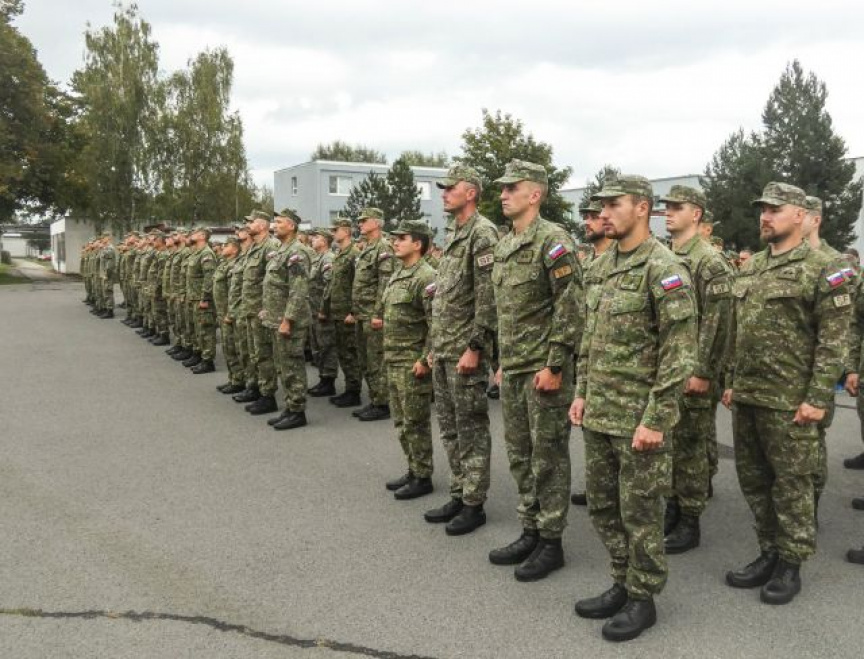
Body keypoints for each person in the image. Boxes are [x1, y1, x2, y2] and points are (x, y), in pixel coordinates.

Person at [570, 175, 696, 642]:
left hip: (638, 420)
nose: (603, 213)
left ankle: (643, 597)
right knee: (604, 506)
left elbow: (679, 353)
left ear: (642, 208)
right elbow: (589, 339)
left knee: (640, 513)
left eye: (613, 204)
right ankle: (622, 580)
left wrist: (656, 419)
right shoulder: (602, 265)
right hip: (600, 412)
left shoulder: (664, 268)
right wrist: (581, 391)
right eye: (600, 206)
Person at [722, 182, 852, 606]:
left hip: (791, 401)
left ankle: (791, 562)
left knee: (792, 485)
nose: (765, 216)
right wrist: (730, 380)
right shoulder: (752, 266)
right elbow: (738, 331)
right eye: (763, 209)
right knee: (755, 481)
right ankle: (768, 551)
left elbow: (833, 342)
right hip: (749, 396)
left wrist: (817, 398)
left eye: (775, 210)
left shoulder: (825, 268)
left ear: (800, 215)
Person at [488, 159, 582, 582]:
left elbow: (570, 305)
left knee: (548, 457)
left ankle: (551, 541)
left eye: (513, 187)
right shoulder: (506, 243)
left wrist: (555, 363)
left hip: (543, 370)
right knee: (520, 454)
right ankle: (530, 528)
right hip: (515, 367)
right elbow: (507, 310)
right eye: (503, 188)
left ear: (535, 194)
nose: (504, 194)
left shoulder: (554, 241)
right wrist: (502, 363)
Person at [422, 165, 498, 535]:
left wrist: (476, 346)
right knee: (450, 427)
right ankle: (458, 490)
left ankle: (473, 503)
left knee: (471, 429)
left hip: (465, 351)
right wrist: (434, 346)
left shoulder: (482, 233)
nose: (444, 193)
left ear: (470, 193)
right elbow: (445, 296)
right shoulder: (454, 231)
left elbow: (487, 297)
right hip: (444, 348)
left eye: (451, 188)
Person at [661, 185, 733, 554]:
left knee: (690, 447)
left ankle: (690, 519)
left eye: (678, 207)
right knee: (670, 444)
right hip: (669, 369)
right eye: (667, 206)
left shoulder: (709, 261)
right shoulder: (667, 255)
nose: (669, 212)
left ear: (697, 214)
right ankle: (673, 506)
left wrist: (703, 371)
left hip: (694, 372)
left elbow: (718, 323)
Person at [382, 220, 438, 499]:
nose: (395, 242)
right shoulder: (399, 273)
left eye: (402, 238)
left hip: (411, 361)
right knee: (402, 422)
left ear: (417, 244)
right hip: (393, 358)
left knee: (415, 422)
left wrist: (425, 359)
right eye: (395, 238)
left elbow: (435, 323)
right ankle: (413, 468)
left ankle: (423, 476)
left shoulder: (426, 277)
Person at [570, 198, 613, 508]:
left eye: (594, 216)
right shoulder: (588, 264)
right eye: (585, 216)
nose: (588, 221)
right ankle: (599, 483)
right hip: (588, 358)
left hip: (617, 364)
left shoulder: (619, 261)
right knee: (592, 429)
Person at [262, 209, 312, 430]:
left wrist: (288, 319)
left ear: (291, 226)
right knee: (283, 365)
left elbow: (298, 290)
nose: (275, 225)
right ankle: (290, 406)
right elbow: (275, 285)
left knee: (292, 365)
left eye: (279, 222)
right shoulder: (281, 250)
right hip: (277, 317)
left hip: (290, 321)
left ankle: (298, 411)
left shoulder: (297, 252)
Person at [350, 207, 395, 421]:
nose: (360, 223)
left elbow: (384, 284)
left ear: (376, 223)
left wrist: (379, 313)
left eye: (364, 220)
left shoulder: (383, 247)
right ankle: (375, 398)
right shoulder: (367, 248)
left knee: (376, 360)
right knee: (365, 360)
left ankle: (383, 403)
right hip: (362, 313)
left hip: (372, 314)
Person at [234, 210, 281, 414]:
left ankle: (268, 396)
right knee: (253, 353)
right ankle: (256, 388)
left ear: (262, 226)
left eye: (251, 222)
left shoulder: (270, 247)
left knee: (264, 354)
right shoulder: (254, 247)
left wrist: (266, 308)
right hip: (250, 309)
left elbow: (274, 281)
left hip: (261, 311)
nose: (247, 226)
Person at [323, 217, 363, 407]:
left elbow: (358, 285)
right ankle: (349, 389)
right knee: (342, 352)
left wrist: (354, 312)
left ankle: (354, 391)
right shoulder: (339, 254)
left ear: (346, 231)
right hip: (337, 312)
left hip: (347, 313)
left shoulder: (354, 254)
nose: (333, 233)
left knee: (350, 353)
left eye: (335, 230)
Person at [307, 229, 338, 397]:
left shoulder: (328, 258)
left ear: (325, 241)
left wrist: (324, 309)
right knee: (318, 346)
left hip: (322, 311)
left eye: (317, 237)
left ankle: (328, 381)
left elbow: (329, 285)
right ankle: (323, 378)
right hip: (313, 310)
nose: (313, 239)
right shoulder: (316, 258)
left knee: (327, 346)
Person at [184, 227, 218, 373]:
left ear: (202, 236)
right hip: (194, 297)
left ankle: (208, 361)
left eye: (194, 233)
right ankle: (198, 354)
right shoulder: (196, 253)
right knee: (197, 329)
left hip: (202, 299)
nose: (191, 235)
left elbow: (209, 278)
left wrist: (205, 297)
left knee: (206, 330)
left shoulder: (206, 253)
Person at [214, 236, 244, 392]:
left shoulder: (234, 266)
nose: (223, 247)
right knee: (227, 347)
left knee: (234, 348)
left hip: (230, 314)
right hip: (222, 312)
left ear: (234, 249)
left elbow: (235, 293)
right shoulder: (224, 264)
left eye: (226, 245)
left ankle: (239, 380)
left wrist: (231, 314)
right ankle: (233, 378)